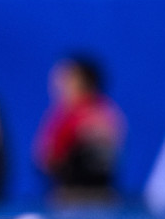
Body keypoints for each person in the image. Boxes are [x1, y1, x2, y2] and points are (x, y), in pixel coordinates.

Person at [34, 54, 124, 205]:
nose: (58, 84)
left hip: (70, 200)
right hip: (106, 199)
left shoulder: (70, 118)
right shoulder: (110, 113)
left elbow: (47, 159)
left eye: (66, 78)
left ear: (83, 82)